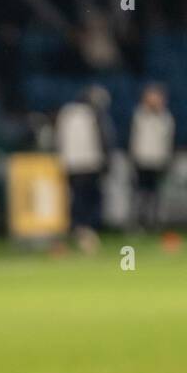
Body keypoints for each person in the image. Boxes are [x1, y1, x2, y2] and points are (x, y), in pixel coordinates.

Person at [56, 86, 112, 251]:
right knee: (88, 199)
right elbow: (104, 138)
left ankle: (77, 229)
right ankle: (86, 231)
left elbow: (59, 139)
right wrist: (106, 161)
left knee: (76, 198)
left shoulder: (66, 113)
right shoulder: (93, 114)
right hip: (90, 163)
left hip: (70, 164)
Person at [128, 83, 174, 233]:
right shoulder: (139, 115)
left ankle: (154, 223)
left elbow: (168, 140)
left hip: (159, 161)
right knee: (141, 194)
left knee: (156, 195)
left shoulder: (166, 117)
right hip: (142, 161)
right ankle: (138, 223)